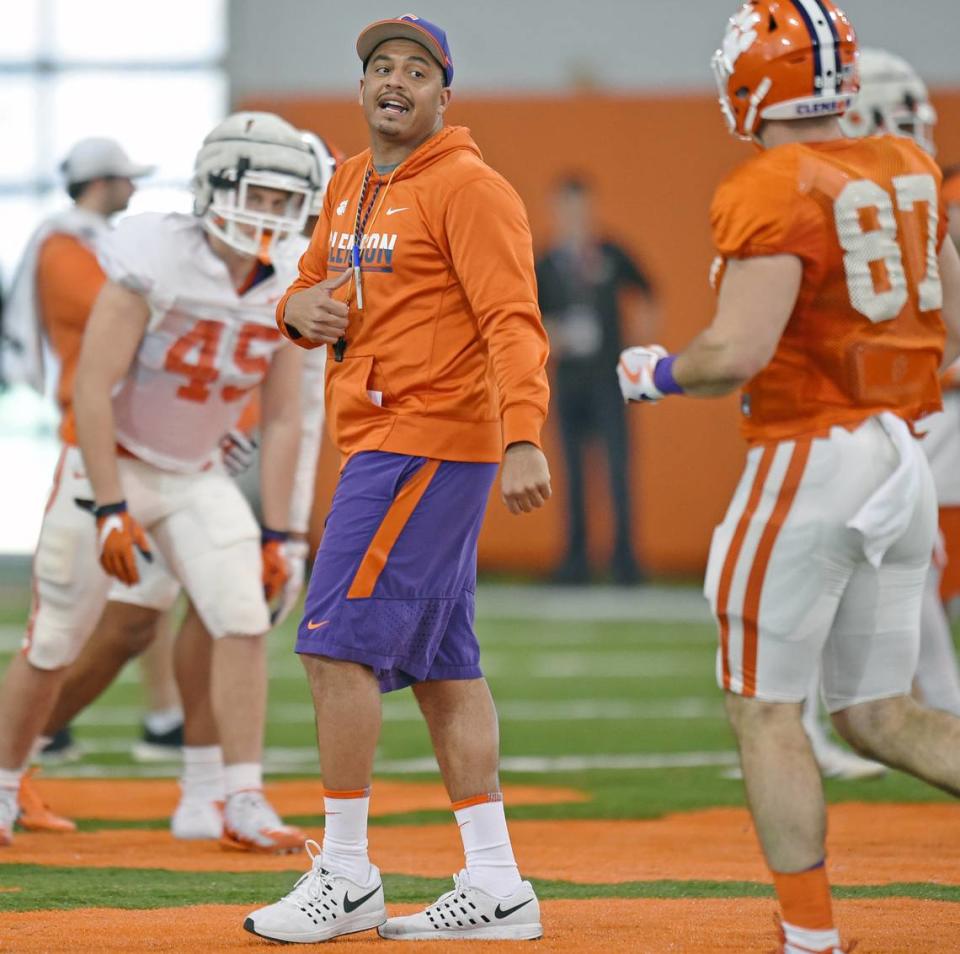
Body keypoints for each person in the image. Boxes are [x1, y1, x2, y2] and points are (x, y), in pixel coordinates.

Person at [617, 3, 960, 952]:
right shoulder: (909, 168)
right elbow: (954, 331)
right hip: (902, 456)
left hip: (813, 455)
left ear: (753, 82)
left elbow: (737, 348)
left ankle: (809, 938)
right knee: (880, 715)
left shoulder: (770, 184)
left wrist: (655, 373)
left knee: (766, 705)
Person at [244, 14, 551, 944]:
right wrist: (300, 310)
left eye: (418, 70)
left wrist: (523, 436)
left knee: (333, 646)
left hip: (423, 443)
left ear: (442, 96)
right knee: (443, 670)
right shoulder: (347, 181)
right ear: (364, 83)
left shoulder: (469, 186)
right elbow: (301, 292)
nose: (396, 80)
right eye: (382, 65)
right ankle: (497, 885)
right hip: (384, 441)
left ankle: (344, 872)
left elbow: (513, 320)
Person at [0, 112, 320, 853]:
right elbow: (90, 387)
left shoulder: (294, 276)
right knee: (53, 640)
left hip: (196, 474)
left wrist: (279, 529)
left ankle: (239, 796)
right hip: (111, 460)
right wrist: (111, 506)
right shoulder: (154, 254)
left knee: (242, 613)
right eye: (259, 196)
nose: (269, 215)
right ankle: (6, 785)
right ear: (214, 187)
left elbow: (282, 422)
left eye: (283, 201)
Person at [536, 176, 656, 585]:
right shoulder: (547, 263)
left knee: (618, 471)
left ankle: (625, 562)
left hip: (609, 380)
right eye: (566, 209)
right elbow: (529, 321)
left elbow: (647, 291)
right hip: (568, 382)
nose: (574, 218)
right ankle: (575, 562)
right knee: (570, 474)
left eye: (579, 209)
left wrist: (639, 343)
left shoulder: (609, 253)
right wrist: (557, 336)